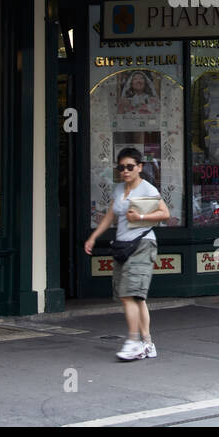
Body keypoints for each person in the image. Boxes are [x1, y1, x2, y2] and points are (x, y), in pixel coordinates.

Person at [84, 147, 170, 361]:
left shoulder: (147, 189)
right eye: (121, 167)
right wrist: (93, 237)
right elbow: (111, 215)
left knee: (128, 294)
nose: (125, 171)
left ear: (139, 167)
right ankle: (148, 344)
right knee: (136, 298)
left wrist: (139, 216)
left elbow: (165, 214)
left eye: (130, 167)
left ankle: (133, 341)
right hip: (123, 246)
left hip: (142, 244)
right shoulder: (119, 189)